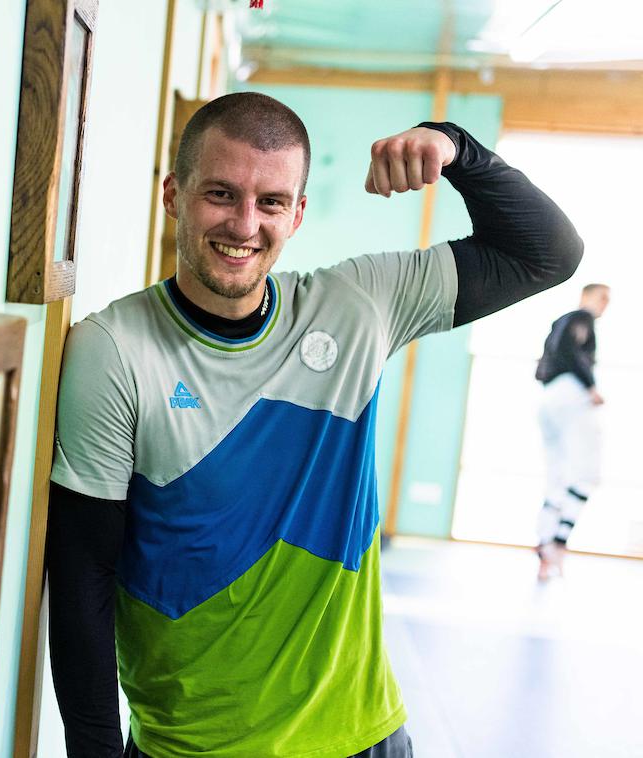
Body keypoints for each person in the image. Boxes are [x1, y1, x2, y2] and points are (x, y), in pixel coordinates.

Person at [46, 92, 582, 758]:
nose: (245, 224)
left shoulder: (356, 307)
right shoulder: (115, 349)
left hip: (363, 736)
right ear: (173, 195)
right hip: (195, 746)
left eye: (271, 202)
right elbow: (81, 574)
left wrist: (455, 147)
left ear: (297, 215)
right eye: (221, 194)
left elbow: (548, 254)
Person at [533, 283, 610, 580]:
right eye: (603, 298)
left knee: (558, 473)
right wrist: (590, 386)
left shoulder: (559, 322)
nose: (605, 305)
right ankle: (559, 542)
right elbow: (572, 351)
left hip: (549, 399)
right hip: (570, 396)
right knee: (588, 474)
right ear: (590, 297)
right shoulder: (581, 319)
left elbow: (549, 357)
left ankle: (545, 543)